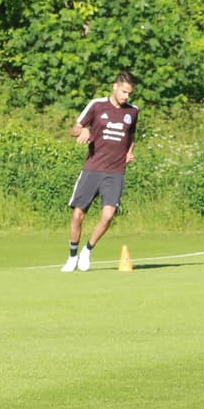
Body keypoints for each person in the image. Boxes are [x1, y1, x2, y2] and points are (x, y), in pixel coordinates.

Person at [62, 71, 139, 272]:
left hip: (115, 172)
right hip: (92, 169)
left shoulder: (132, 112)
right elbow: (74, 130)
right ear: (115, 86)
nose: (126, 97)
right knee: (78, 215)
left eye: (129, 94)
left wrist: (129, 153)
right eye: (123, 92)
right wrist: (85, 130)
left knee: (108, 215)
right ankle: (72, 256)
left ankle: (87, 250)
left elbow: (131, 137)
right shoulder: (97, 105)